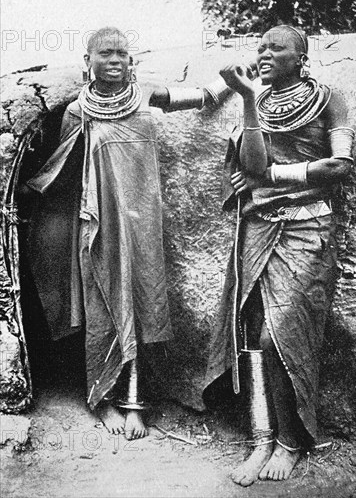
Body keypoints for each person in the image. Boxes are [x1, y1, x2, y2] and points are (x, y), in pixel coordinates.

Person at [20, 26, 229, 439]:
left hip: (142, 219)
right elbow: (63, 173)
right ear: (88, 61)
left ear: (131, 60)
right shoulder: (78, 112)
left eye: (121, 53)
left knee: (142, 302)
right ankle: (103, 400)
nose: (115, 60)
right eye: (105, 53)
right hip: (97, 224)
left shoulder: (147, 94)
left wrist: (235, 79)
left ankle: (136, 403)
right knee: (103, 305)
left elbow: (203, 98)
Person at [204, 24, 354, 485]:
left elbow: (339, 168)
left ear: (301, 56)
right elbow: (250, 169)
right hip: (259, 226)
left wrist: (272, 175)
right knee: (250, 333)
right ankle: (261, 439)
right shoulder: (259, 101)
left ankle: (291, 440)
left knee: (280, 335)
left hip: (309, 226)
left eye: (277, 48)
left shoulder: (330, 98)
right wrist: (248, 99)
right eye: (261, 47)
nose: (265, 53)